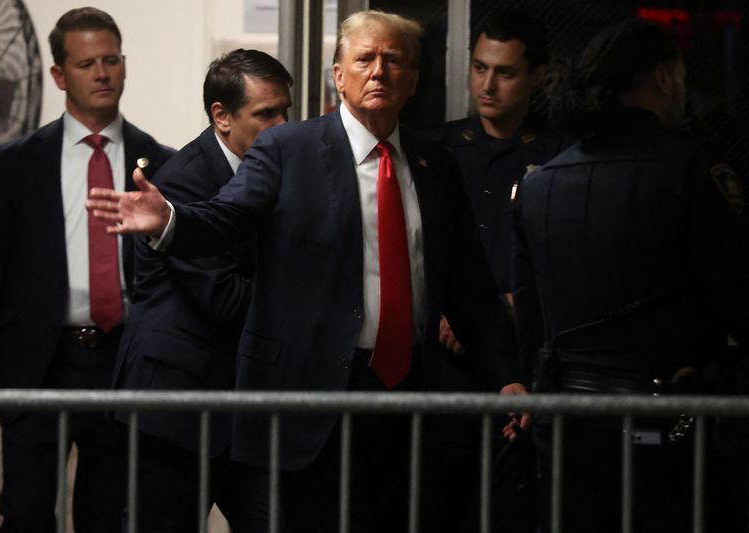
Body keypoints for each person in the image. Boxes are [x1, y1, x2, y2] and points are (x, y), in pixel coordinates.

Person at [88, 10, 527, 533]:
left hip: (403, 399)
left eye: (393, 61)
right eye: (364, 59)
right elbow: (227, 217)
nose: (379, 71)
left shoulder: (434, 164)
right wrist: (172, 222)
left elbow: (468, 287)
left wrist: (507, 375)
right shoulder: (288, 148)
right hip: (316, 394)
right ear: (338, 76)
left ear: (413, 80)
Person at [512, 19, 749, 533]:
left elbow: (530, 321)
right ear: (664, 77)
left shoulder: (539, 185)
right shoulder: (689, 169)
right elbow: (734, 295)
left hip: (567, 427)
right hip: (672, 423)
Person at [0, 8, 174, 532]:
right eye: (87, 63)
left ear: (124, 66)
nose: (101, 73)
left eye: (111, 60)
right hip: (35, 365)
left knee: (108, 515)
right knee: (26, 513)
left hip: (123, 365)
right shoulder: (17, 162)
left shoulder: (159, 161)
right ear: (58, 75)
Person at [115, 48, 291, 533]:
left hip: (241, 410)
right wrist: (306, 312)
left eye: (284, 111)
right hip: (175, 412)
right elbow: (224, 300)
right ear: (222, 116)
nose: (281, 125)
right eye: (265, 114)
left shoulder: (275, 172)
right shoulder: (181, 185)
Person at [425, 11, 566, 532]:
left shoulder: (559, 160)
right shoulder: (435, 150)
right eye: (479, 68)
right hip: (442, 363)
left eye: (504, 72)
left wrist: (517, 302)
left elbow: (568, 259)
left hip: (524, 358)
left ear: (538, 77)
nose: (487, 84)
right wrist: (439, 308)